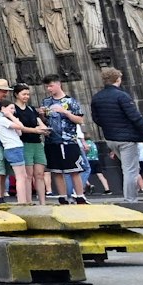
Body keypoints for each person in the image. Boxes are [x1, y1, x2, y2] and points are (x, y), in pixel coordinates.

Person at [90, 66, 143, 204]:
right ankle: (130, 199)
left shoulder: (97, 97)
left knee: (128, 168)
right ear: (118, 79)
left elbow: (96, 118)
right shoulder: (122, 95)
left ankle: (131, 197)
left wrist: (110, 127)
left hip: (111, 138)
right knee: (130, 170)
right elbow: (134, 116)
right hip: (127, 138)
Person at [39, 76, 87, 205]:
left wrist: (65, 112)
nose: (49, 89)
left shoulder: (71, 101)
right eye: (47, 87)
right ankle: (62, 197)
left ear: (58, 84)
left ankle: (80, 196)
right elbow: (44, 122)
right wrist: (42, 115)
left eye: (51, 86)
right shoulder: (46, 102)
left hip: (68, 140)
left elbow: (80, 120)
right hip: (51, 141)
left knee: (74, 170)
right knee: (56, 170)